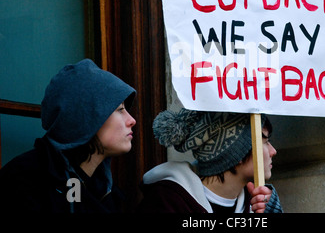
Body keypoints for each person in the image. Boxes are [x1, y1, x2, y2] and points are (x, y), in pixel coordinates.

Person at [0, 59, 136, 213]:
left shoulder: (103, 191)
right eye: (119, 109)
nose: (132, 120)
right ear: (86, 116)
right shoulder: (26, 181)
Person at [137, 109, 283, 213]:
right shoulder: (167, 202)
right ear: (236, 153)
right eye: (265, 142)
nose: (273, 151)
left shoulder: (257, 203)